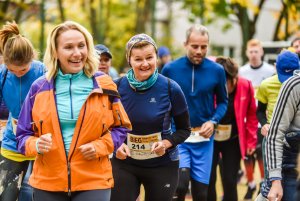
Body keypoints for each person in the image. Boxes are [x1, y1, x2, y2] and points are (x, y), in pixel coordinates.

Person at [16, 21, 131, 201]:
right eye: (68, 47)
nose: (77, 53)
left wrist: (99, 147)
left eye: (81, 46)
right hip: (48, 181)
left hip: (94, 180)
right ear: (55, 51)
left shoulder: (104, 83)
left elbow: (121, 128)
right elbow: (22, 136)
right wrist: (36, 144)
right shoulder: (38, 88)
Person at [110, 33, 190, 201]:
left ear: (156, 58)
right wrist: (115, 146)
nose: (145, 64)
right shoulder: (115, 88)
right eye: (138, 59)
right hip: (125, 163)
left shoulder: (171, 88)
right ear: (129, 60)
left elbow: (184, 130)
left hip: (162, 164)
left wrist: (166, 143)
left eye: (149, 57)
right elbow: (105, 126)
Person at [162, 24, 228, 201]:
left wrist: (213, 121)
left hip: (204, 139)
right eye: (195, 46)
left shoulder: (217, 71)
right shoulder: (170, 69)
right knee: (180, 186)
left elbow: (223, 101)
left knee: (201, 194)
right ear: (185, 44)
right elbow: (162, 101)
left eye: (204, 47)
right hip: (179, 136)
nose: (199, 51)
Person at [0, 21, 45, 201]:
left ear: (32, 58)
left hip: (42, 141)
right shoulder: (2, 74)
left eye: (23, 70)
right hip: (13, 139)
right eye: (13, 70)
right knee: (5, 195)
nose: (18, 74)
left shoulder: (44, 71)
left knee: (36, 195)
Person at [207, 56, 258, 201]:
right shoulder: (210, 86)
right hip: (211, 139)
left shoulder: (245, 86)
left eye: (227, 82)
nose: (224, 87)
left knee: (230, 180)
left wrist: (251, 141)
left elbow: (252, 115)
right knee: (209, 179)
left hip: (233, 140)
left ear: (234, 77)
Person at [255, 50, 300, 201]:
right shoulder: (268, 84)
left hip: (292, 138)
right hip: (278, 139)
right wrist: (264, 125)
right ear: (275, 67)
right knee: (270, 188)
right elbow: (259, 111)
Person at [239, 38, 276, 200]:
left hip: (262, 118)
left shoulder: (269, 71)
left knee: (261, 152)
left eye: (256, 51)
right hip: (246, 120)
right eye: (251, 51)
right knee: (247, 155)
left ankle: (262, 182)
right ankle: (250, 183)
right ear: (247, 53)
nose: (254, 54)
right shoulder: (242, 71)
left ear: (261, 52)